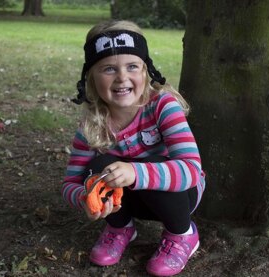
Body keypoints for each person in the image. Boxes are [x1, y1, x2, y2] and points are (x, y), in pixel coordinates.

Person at [61, 20, 206, 276]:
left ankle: (182, 234)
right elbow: (70, 182)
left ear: (145, 70)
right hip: (127, 200)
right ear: (91, 77)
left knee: (157, 170)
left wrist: (136, 172)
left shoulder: (163, 106)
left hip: (179, 196)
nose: (122, 77)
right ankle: (120, 228)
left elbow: (191, 171)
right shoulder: (91, 126)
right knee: (96, 169)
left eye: (132, 66)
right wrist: (84, 197)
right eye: (108, 68)